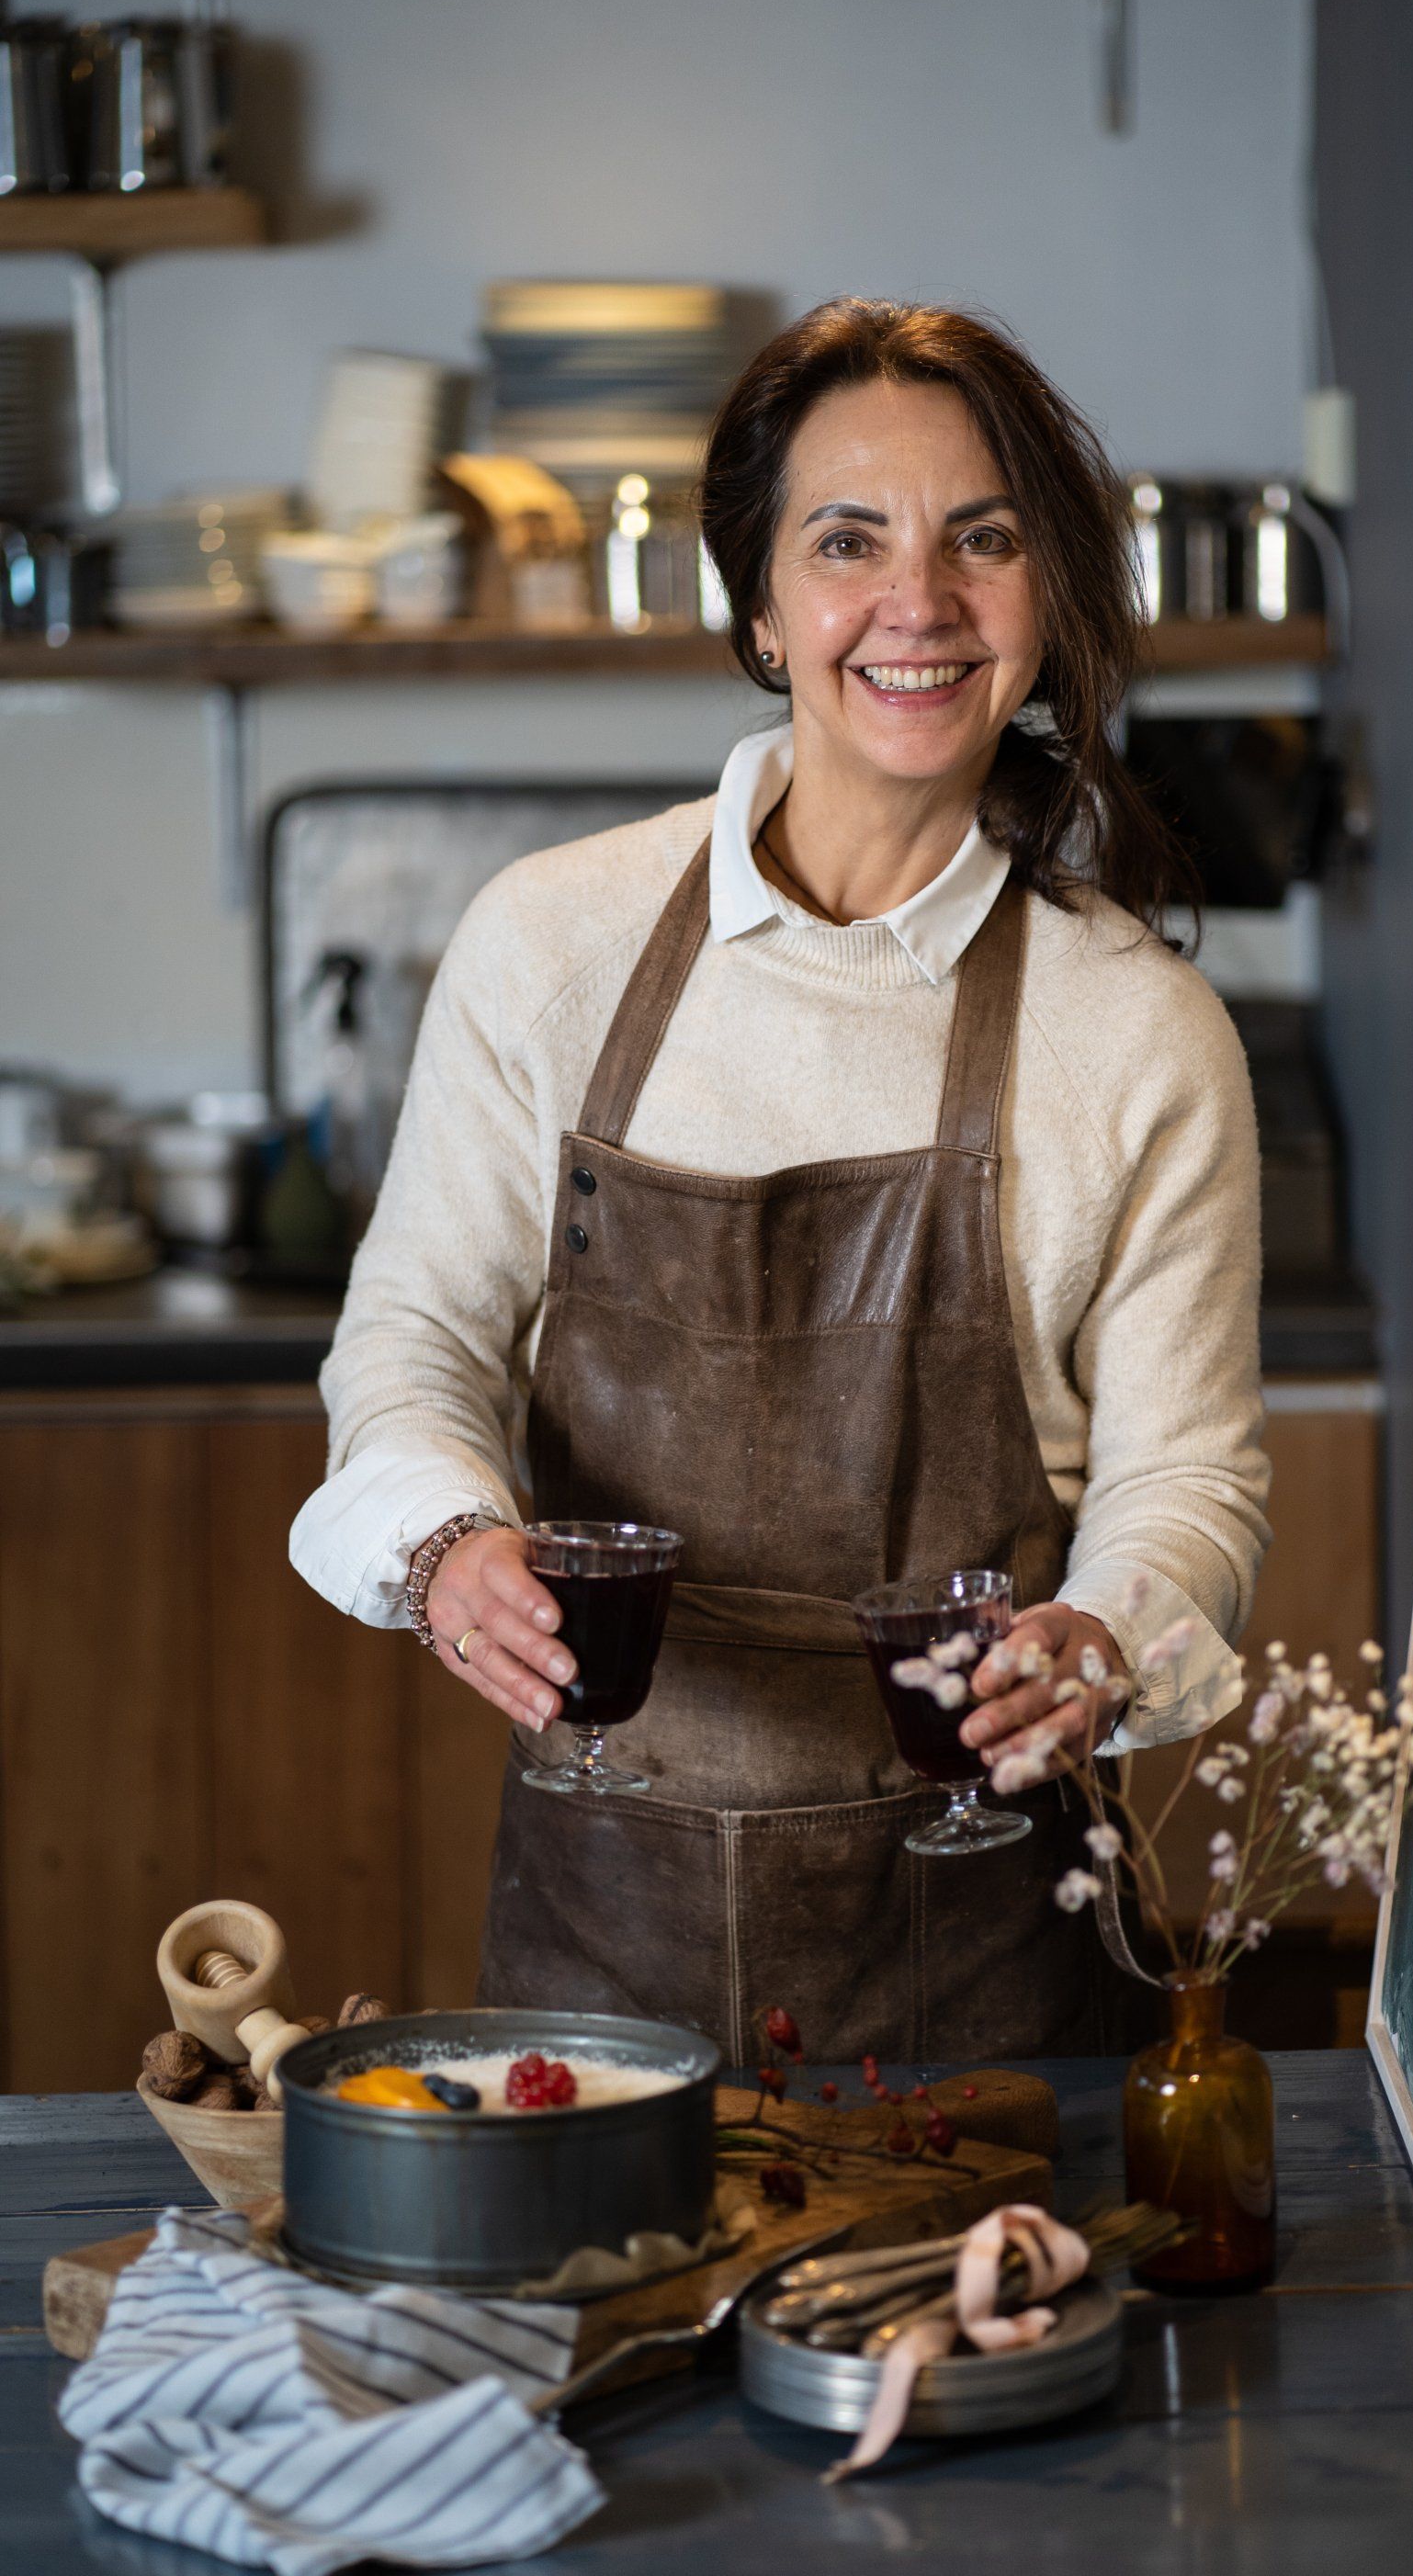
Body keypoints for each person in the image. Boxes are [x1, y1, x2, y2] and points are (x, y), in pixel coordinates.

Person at [290, 298, 1270, 2062]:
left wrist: (1103, 1637)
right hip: (601, 1921)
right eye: (848, 543)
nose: (921, 603)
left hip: (983, 1945)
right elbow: (414, 1338)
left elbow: (1188, 1475)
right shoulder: (552, 947)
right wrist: (443, 1546)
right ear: (759, 607)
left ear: (1047, 602)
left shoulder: (1140, 1028)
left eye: (986, 540)